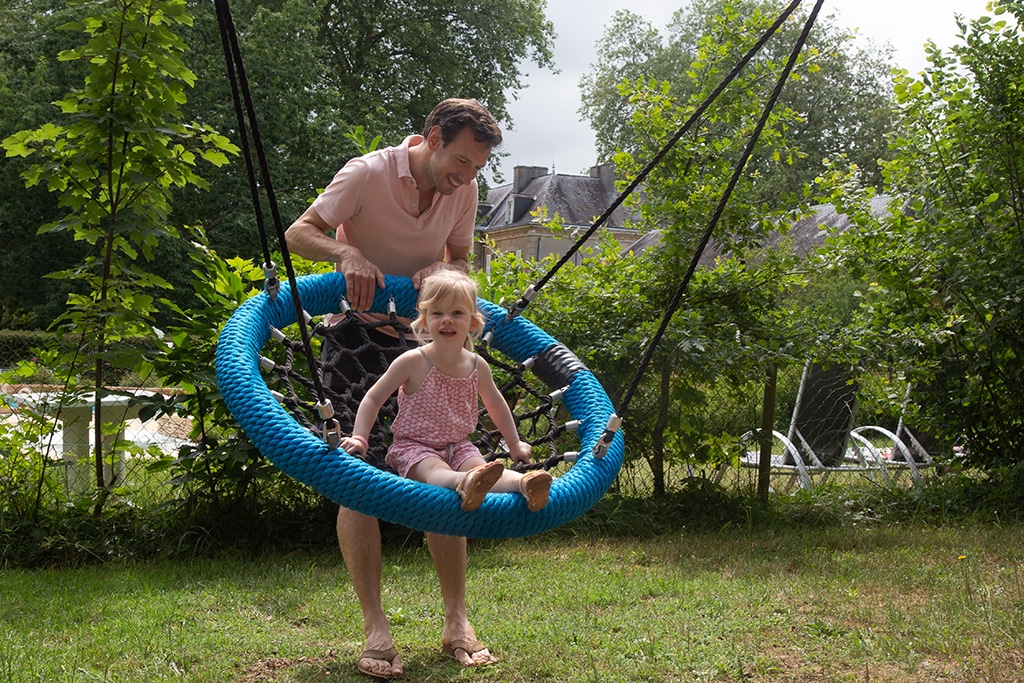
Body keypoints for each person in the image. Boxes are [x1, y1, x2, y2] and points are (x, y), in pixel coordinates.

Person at [284, 98, 505, 679]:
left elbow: (458, 256)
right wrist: (346, 252)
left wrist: (444, 273)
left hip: (431, 342)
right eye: (459, 161)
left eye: (476, 168)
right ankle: (376, 629)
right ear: (432, 137)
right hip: (357, 336)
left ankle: (457, 619)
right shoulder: (367, 172)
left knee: (444, 465)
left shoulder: (464, 187)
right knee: (356, 480)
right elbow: (298, 233)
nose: (466, 176)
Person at [340, 270, 552, 514]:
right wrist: (359, 437)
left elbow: (496, 404)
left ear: (472, 322)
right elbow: (373, 398)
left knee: (482, 470)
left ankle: (525, 483)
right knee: (434, 470)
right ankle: (461, 482)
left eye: (457, 313)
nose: (447, 320)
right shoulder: (411, 361)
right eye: (437, 313)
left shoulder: (476, 365)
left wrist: (514, 444)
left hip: (458, 445)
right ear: (424, 321)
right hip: (414, 448)